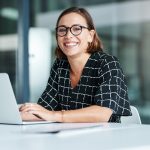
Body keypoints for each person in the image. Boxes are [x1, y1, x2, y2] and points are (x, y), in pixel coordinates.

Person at [19, 7, 132, 123]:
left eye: (77, 29)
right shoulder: (60, 66)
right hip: (67, 137)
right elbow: (45, 110)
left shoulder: (108, 63)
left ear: (90, 35)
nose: (68, 35)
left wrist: (56, 116)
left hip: (104, 138)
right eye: (62, 30)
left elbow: (102, 113)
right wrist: (21, 114)